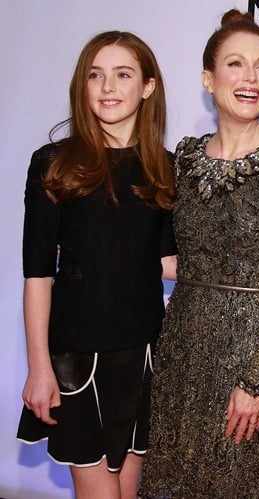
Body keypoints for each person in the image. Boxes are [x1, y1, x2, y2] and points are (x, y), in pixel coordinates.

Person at [139, 9, 259, 498]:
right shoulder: (186, 157)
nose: (251, 78)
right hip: (184, 348)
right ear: (208, 78)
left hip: (252, 352)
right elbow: (178, 257)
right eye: (236, 64)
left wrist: (256, 381)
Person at [17, 31, 176, 499]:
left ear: (147, 87)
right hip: (74, 360)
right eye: (95, 75)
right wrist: (38, 367)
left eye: (123, 74)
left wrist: (246, 268)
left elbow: (168, 262)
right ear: (82, 87)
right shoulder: (53, 165)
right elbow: (38, 274)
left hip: (144, 357)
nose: (108, 86)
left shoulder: (164, 168)